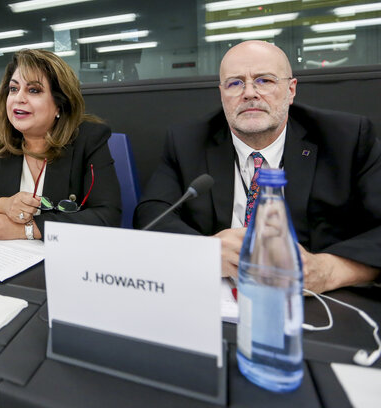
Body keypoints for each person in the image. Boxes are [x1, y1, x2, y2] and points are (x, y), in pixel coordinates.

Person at [133, 40, 381, 294]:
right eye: (235, 83)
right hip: (220, 299)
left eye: (265, 80)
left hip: (319, 303)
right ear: (222, 94)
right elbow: (151, 213)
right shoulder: (188, 141)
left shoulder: (346, 139)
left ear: (291, 89)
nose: (249, 92)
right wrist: (204, 251)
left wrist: (328, 271)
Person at [0, 49, 121, 240]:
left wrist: (28, 230)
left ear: (60, 104)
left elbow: (108, 217)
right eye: (14, 89)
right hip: (10, 258)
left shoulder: (89, 139)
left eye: (34, 90)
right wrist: (4, 204)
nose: (19, 98)